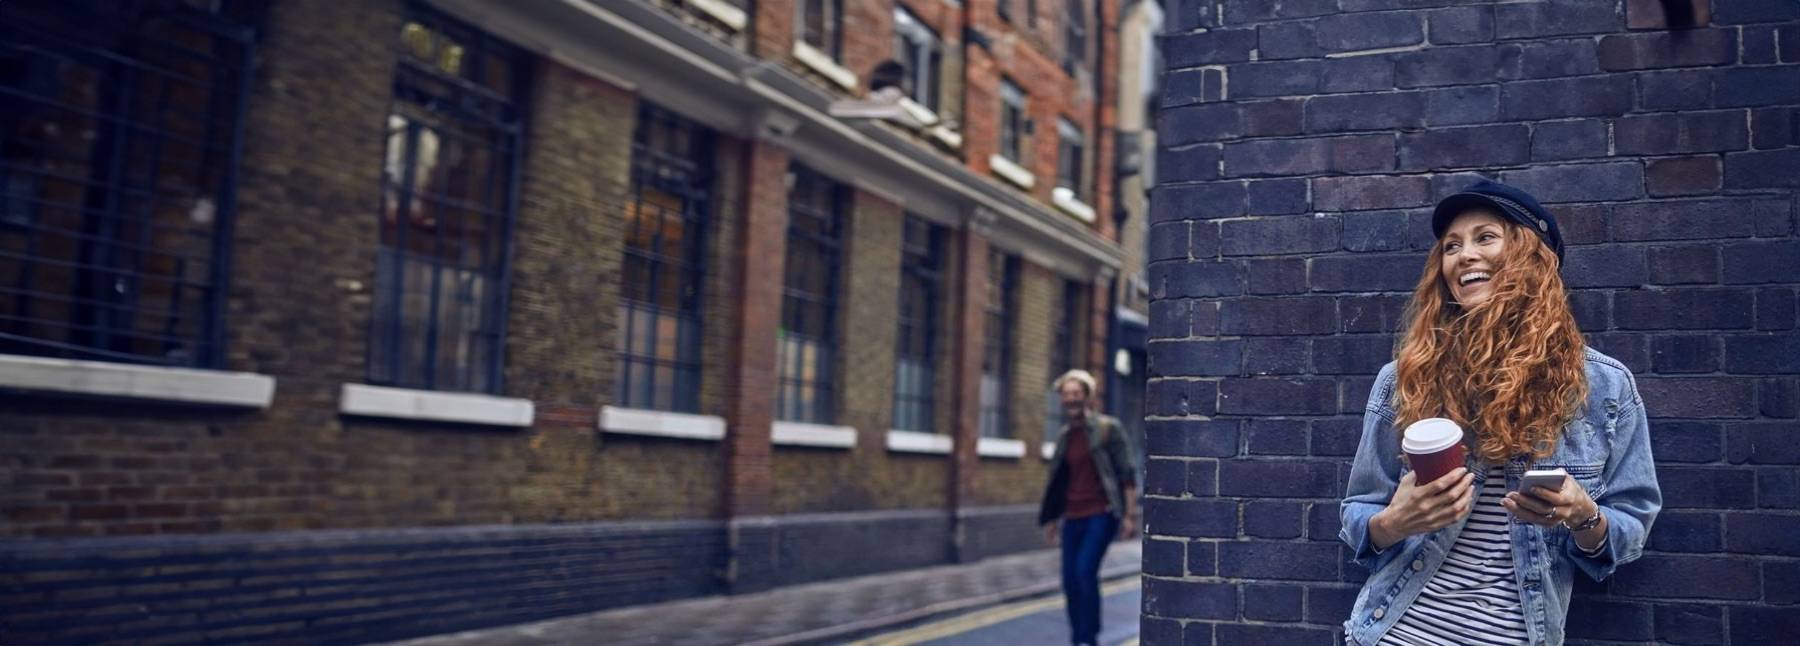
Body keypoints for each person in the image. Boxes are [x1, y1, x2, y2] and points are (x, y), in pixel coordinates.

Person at [1338, 180, 1662, 646]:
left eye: (1484, 237)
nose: (1464, 255)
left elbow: (1629, 532)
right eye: (1452, 246)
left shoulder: (1604, 387)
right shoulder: (1405, 377)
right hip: (1394, 633)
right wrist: (1394, 523)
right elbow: (1356, 514)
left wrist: (1583, 515)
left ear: (1531, 258)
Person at [1037, 369, 1138, 646]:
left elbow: (1127, 474)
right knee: (1070, 581)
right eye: (1066, 394)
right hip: (1073, 516)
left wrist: (1130, 516)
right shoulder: (1065, 437)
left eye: (1076, 393)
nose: (1071, 399)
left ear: (1087, 396)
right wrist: (1053, 521)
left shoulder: (1108, 429)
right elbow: (1058, 483)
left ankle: (1088, 639)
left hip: (1101, 514)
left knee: (1084, 572)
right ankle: (1077, 638)